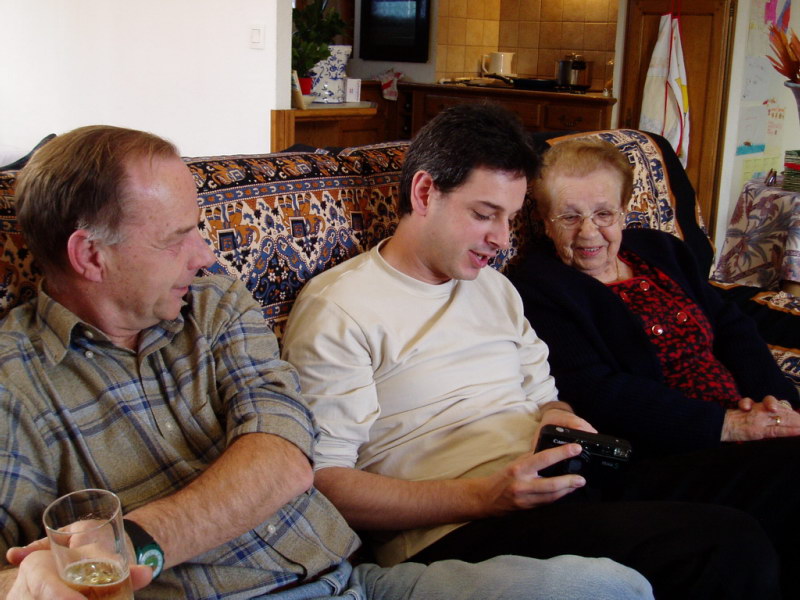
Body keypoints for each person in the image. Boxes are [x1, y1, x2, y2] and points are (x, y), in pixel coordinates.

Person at [0, 125, 655, 600]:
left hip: (353, 583)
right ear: (90, 256)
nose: (205, 254)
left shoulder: (214, 300)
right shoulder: (15, 386)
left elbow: (287, 451)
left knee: (613, 588)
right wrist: (30, 580)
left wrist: (139, 541)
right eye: (178, 238)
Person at [281, 103, 785, 599]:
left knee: (784, 470)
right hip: (458, 528)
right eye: (484, 215)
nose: (501, 240)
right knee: (727, 545)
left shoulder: (492, 286)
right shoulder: (341, 308)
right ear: (425, 192)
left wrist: (559, 419)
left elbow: (547, 396)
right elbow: (326, 483)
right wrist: (485, 496)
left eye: (511, 218)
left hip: (564, 485)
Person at [506, 137, 800, 594]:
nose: (589, 232)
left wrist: (777, 406)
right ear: (545, 222)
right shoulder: (538, 287)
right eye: (569, 216)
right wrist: (730, 426)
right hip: (661, 453)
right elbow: (598, 390)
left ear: (624, 212)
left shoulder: (661, 251)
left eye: (604, 214)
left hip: (741, 424)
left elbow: (731, 325)